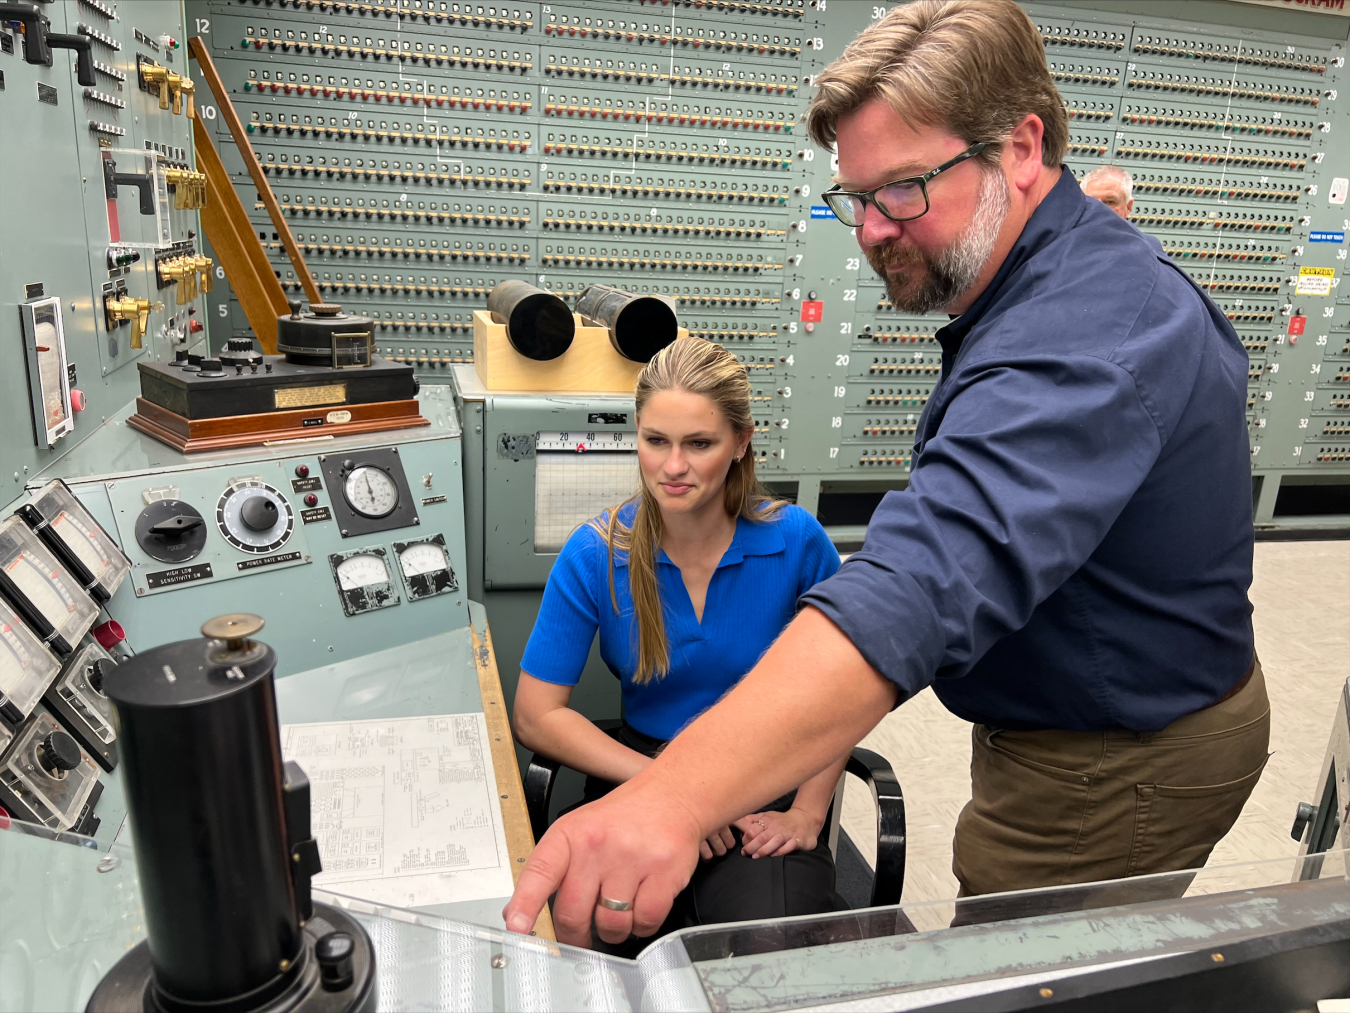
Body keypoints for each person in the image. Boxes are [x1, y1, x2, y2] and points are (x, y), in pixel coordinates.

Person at [505, 0, 1267, 949]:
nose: (870, 231)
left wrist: (673, 797)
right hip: (1076, 711)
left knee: (1024, 970)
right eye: (854, 197)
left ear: (1021, 148)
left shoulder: (1084, 335)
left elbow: (920, 581)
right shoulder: (1056, 278)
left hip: (1114, 759)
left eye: (903, 190)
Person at [511, 336, 848, 950]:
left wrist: (807, 812)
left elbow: (843, 691)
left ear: (741, 442)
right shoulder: (595, 553)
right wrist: (672, 790)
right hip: (639, 776)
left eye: (699, 443)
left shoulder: (796, 541)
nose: (673, 466)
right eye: (656, 440)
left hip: (758, 787)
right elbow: (536, 716)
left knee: (765, 957)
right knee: (597, 951)